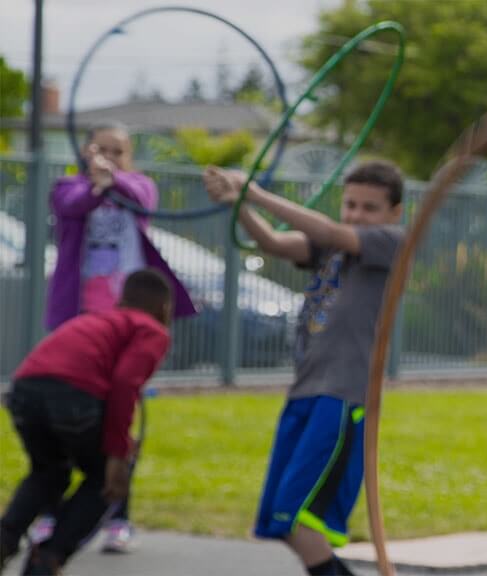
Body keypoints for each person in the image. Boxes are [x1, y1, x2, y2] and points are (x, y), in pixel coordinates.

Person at [203, 160, 405, 576]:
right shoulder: (333, 250)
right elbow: (274, 243)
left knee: (299, 516)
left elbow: (330, 231)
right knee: (280, 518)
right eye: (350, 204)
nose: (356, 215)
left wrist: (255, 192)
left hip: (342, 397)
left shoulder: (390, 243)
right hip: (306, 393)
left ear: (393, 213)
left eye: (370, 207)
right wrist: (236, 202)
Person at [36, 122, 197, 554]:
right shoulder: (68, 187)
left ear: (130, 157)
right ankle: (52, 514)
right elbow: (72, 205)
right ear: (86, 153)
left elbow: (141, 198)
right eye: (100, 149)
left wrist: (114, 180)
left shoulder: (137, 186)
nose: (108, 156)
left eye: (117, 151)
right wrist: (96, 183)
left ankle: (118, 516)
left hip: (126, 325)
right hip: (80, 322)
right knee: (67, 420)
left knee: (122, 415)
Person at [0, 269, 174, 575]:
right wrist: (118, 454)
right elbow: (124, 383)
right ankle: (49, 558)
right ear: (164, 308)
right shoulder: (152, 329)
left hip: (25, 390)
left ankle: (4, 540)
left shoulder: (97, 320)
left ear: (122, 299)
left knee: (49, 472)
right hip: (74, 395)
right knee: (104, 480)